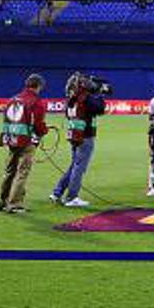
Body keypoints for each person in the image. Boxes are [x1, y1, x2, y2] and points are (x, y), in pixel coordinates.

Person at [0, 73, 50, 213]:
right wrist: (44, 131)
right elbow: (39, 125)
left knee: (9, 171)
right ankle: (15, 204)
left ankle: (2, 201)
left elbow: (6, 121)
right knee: (22, 172)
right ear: (39, 86)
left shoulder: (13, 99)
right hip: (26, 141)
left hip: (12, 139)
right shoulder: (36, 102)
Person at [52, 72, 106, 208]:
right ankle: (72, 197)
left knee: (74, 165)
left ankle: (57, 192)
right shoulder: (85, 98)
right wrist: (100, 94)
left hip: (74, 134)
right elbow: (100, 108)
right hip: (85, 136)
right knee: (79, 167)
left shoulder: (72, 98)